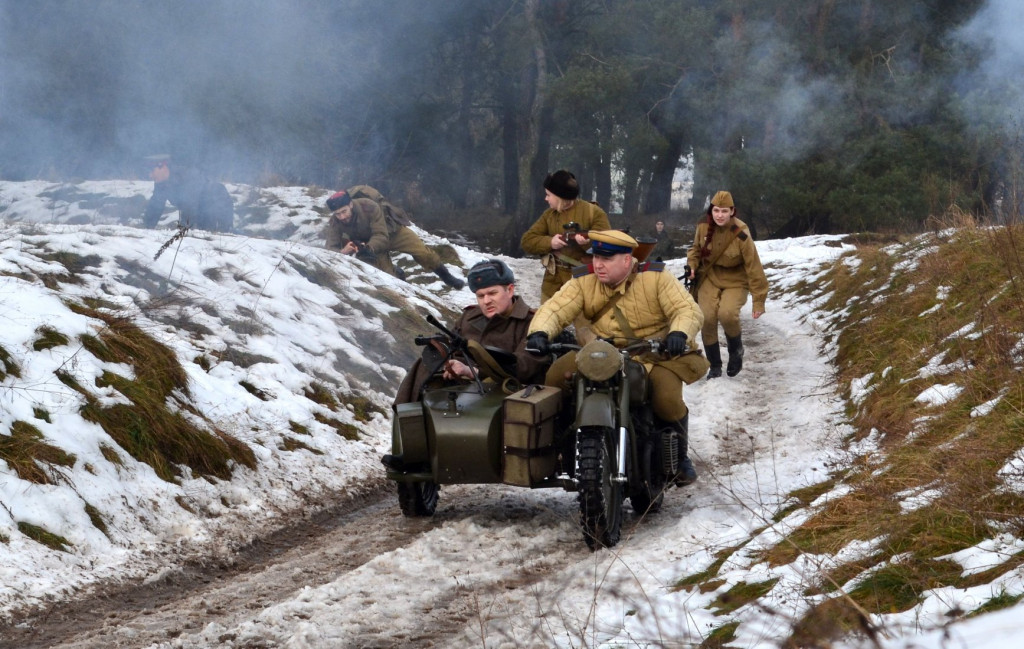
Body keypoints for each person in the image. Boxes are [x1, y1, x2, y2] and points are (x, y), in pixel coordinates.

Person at [525, 230, 707, 486]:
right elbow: (555, 309)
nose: (598, 264)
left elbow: (687, 309)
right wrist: (540, 332)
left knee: (666, 397)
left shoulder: (656, 277)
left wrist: (679, 332)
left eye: (606, 258)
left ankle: (678, 457)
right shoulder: (582, 280)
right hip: (598, 352)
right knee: (554, 378)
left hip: (652, 353)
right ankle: (558, 446)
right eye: (596, 256)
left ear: (627, 259)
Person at [385, 259, 549, 469]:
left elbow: (526, 365)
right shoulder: (470, 317)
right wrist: (448, 361)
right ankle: (413, 450)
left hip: (509, 386)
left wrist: (475, 372)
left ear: (510, 289)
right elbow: (456, 346)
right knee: (422, 367)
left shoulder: (532, 321)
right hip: (466, 385)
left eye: (492, 293)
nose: (486, 301)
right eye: (480, 296)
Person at [684, 191, 768, 379]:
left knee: (727, 314)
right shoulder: (703, 227)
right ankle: (714, 365)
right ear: (711, 211)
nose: (720, 215)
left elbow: (753, 267)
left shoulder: (741, 233)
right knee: (706, 317)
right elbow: (695, 250)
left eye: (724, 211)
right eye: (716, 211)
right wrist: (692, 266)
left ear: (732, 211)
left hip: (736, 280)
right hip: (710, 277)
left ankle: (736, 351)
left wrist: (758, 301)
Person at [324, 189, 465, 289]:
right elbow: (330, 248)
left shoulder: (368, 206)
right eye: (338, 214)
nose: (342, 217)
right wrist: (343, 251)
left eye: (344, 212)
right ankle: (397, 272)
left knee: (423, 253)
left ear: (351, 205)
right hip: (370, 245)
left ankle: (447, 277)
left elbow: (380, 235)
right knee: (388, 279)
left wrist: (368, 248)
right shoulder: (335, 222)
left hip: (392, 233)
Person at [520, 170, 611, 302]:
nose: (546, 198)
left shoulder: (594, 213)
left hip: (584, 282)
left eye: (548, 195)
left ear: (559, 197)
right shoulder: (549, 215)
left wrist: (586, 243)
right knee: (547, 321)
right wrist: (550, 242)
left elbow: (608, 245)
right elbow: (527, 241)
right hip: (552, 282)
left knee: (586, 323)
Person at [142, 155, 234, 232]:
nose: (150, 176)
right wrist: (146, 227)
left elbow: (190, 207)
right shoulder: (161, 182)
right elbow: (155, 206)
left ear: (163, 167)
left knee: (213, 237)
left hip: (218, 205)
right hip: (200, 210)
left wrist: (180, 233)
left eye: (152, 171)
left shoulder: (187, 176)